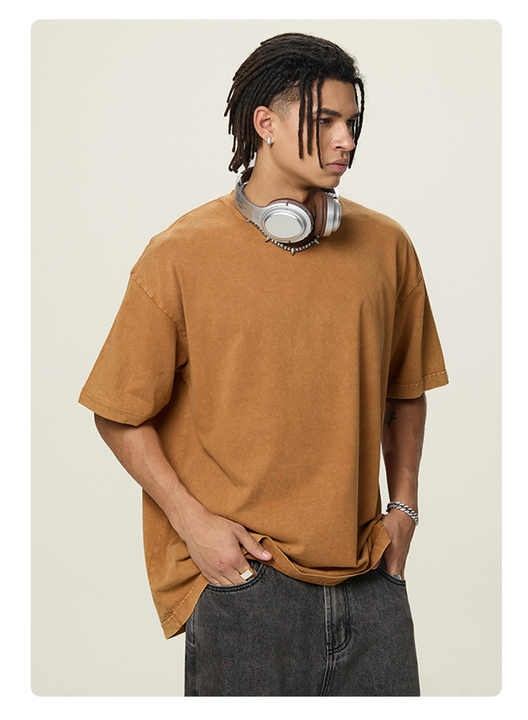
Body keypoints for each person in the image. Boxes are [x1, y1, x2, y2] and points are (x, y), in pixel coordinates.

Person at [77, 32, 449, 696]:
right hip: (245, 582)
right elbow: (119, 413)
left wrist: (405, 509)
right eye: (325, 121)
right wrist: (194, 524)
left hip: (370, 578)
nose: (346, 141)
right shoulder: (181, 254)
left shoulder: (386, 246)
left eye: (352, 122)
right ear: (265, 125)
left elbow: (406, 391)